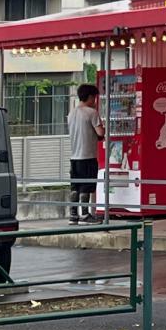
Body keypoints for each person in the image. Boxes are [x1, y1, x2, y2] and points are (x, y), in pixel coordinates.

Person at [66, 83, 104, 224]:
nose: (95, 101)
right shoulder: (91, 113)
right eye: (94, 97)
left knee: (75, 187)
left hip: (74, 157)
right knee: (86, 186)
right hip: (87, 155)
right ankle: (85, 214)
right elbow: (100, 132)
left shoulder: (71, 113)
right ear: (89, 97)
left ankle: (73, 215)